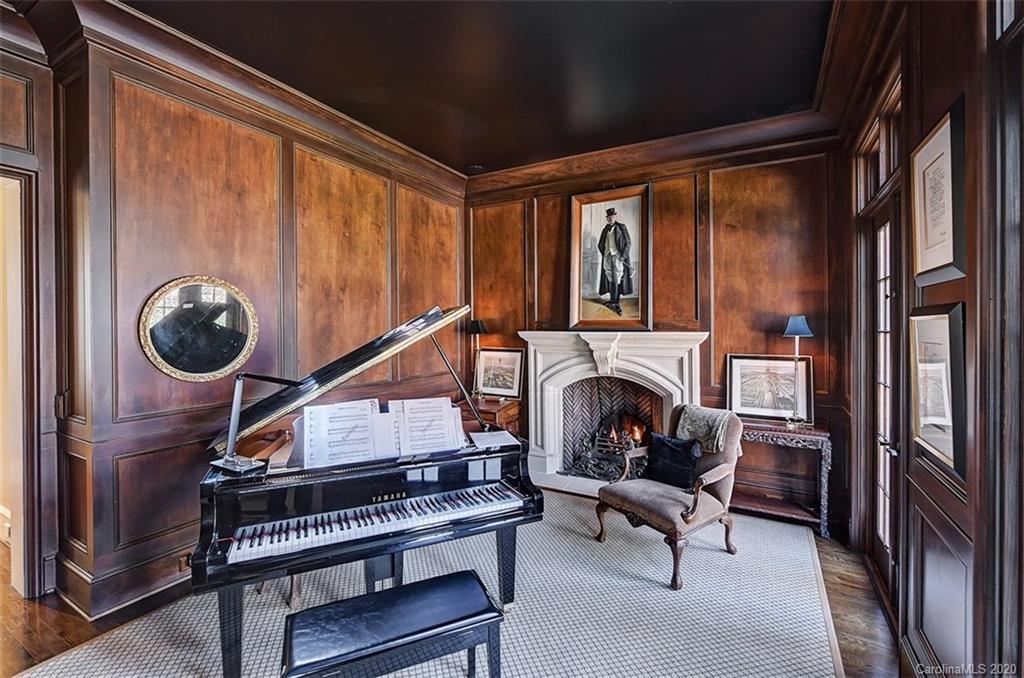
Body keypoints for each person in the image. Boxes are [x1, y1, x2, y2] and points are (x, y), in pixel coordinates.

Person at [597, 207, 633, 315]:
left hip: (617, 257)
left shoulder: (621, 227)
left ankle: (616, 303)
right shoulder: (605, 229)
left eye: (612, 217)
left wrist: (623, 256)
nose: (610, 219)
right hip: (608, 256)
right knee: (610, 277)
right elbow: (600, 244)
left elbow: (628, 243)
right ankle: (612, 300)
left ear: (615, 217)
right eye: (608, 217)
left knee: (617, 278)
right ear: (607, 218)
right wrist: (605, 253)